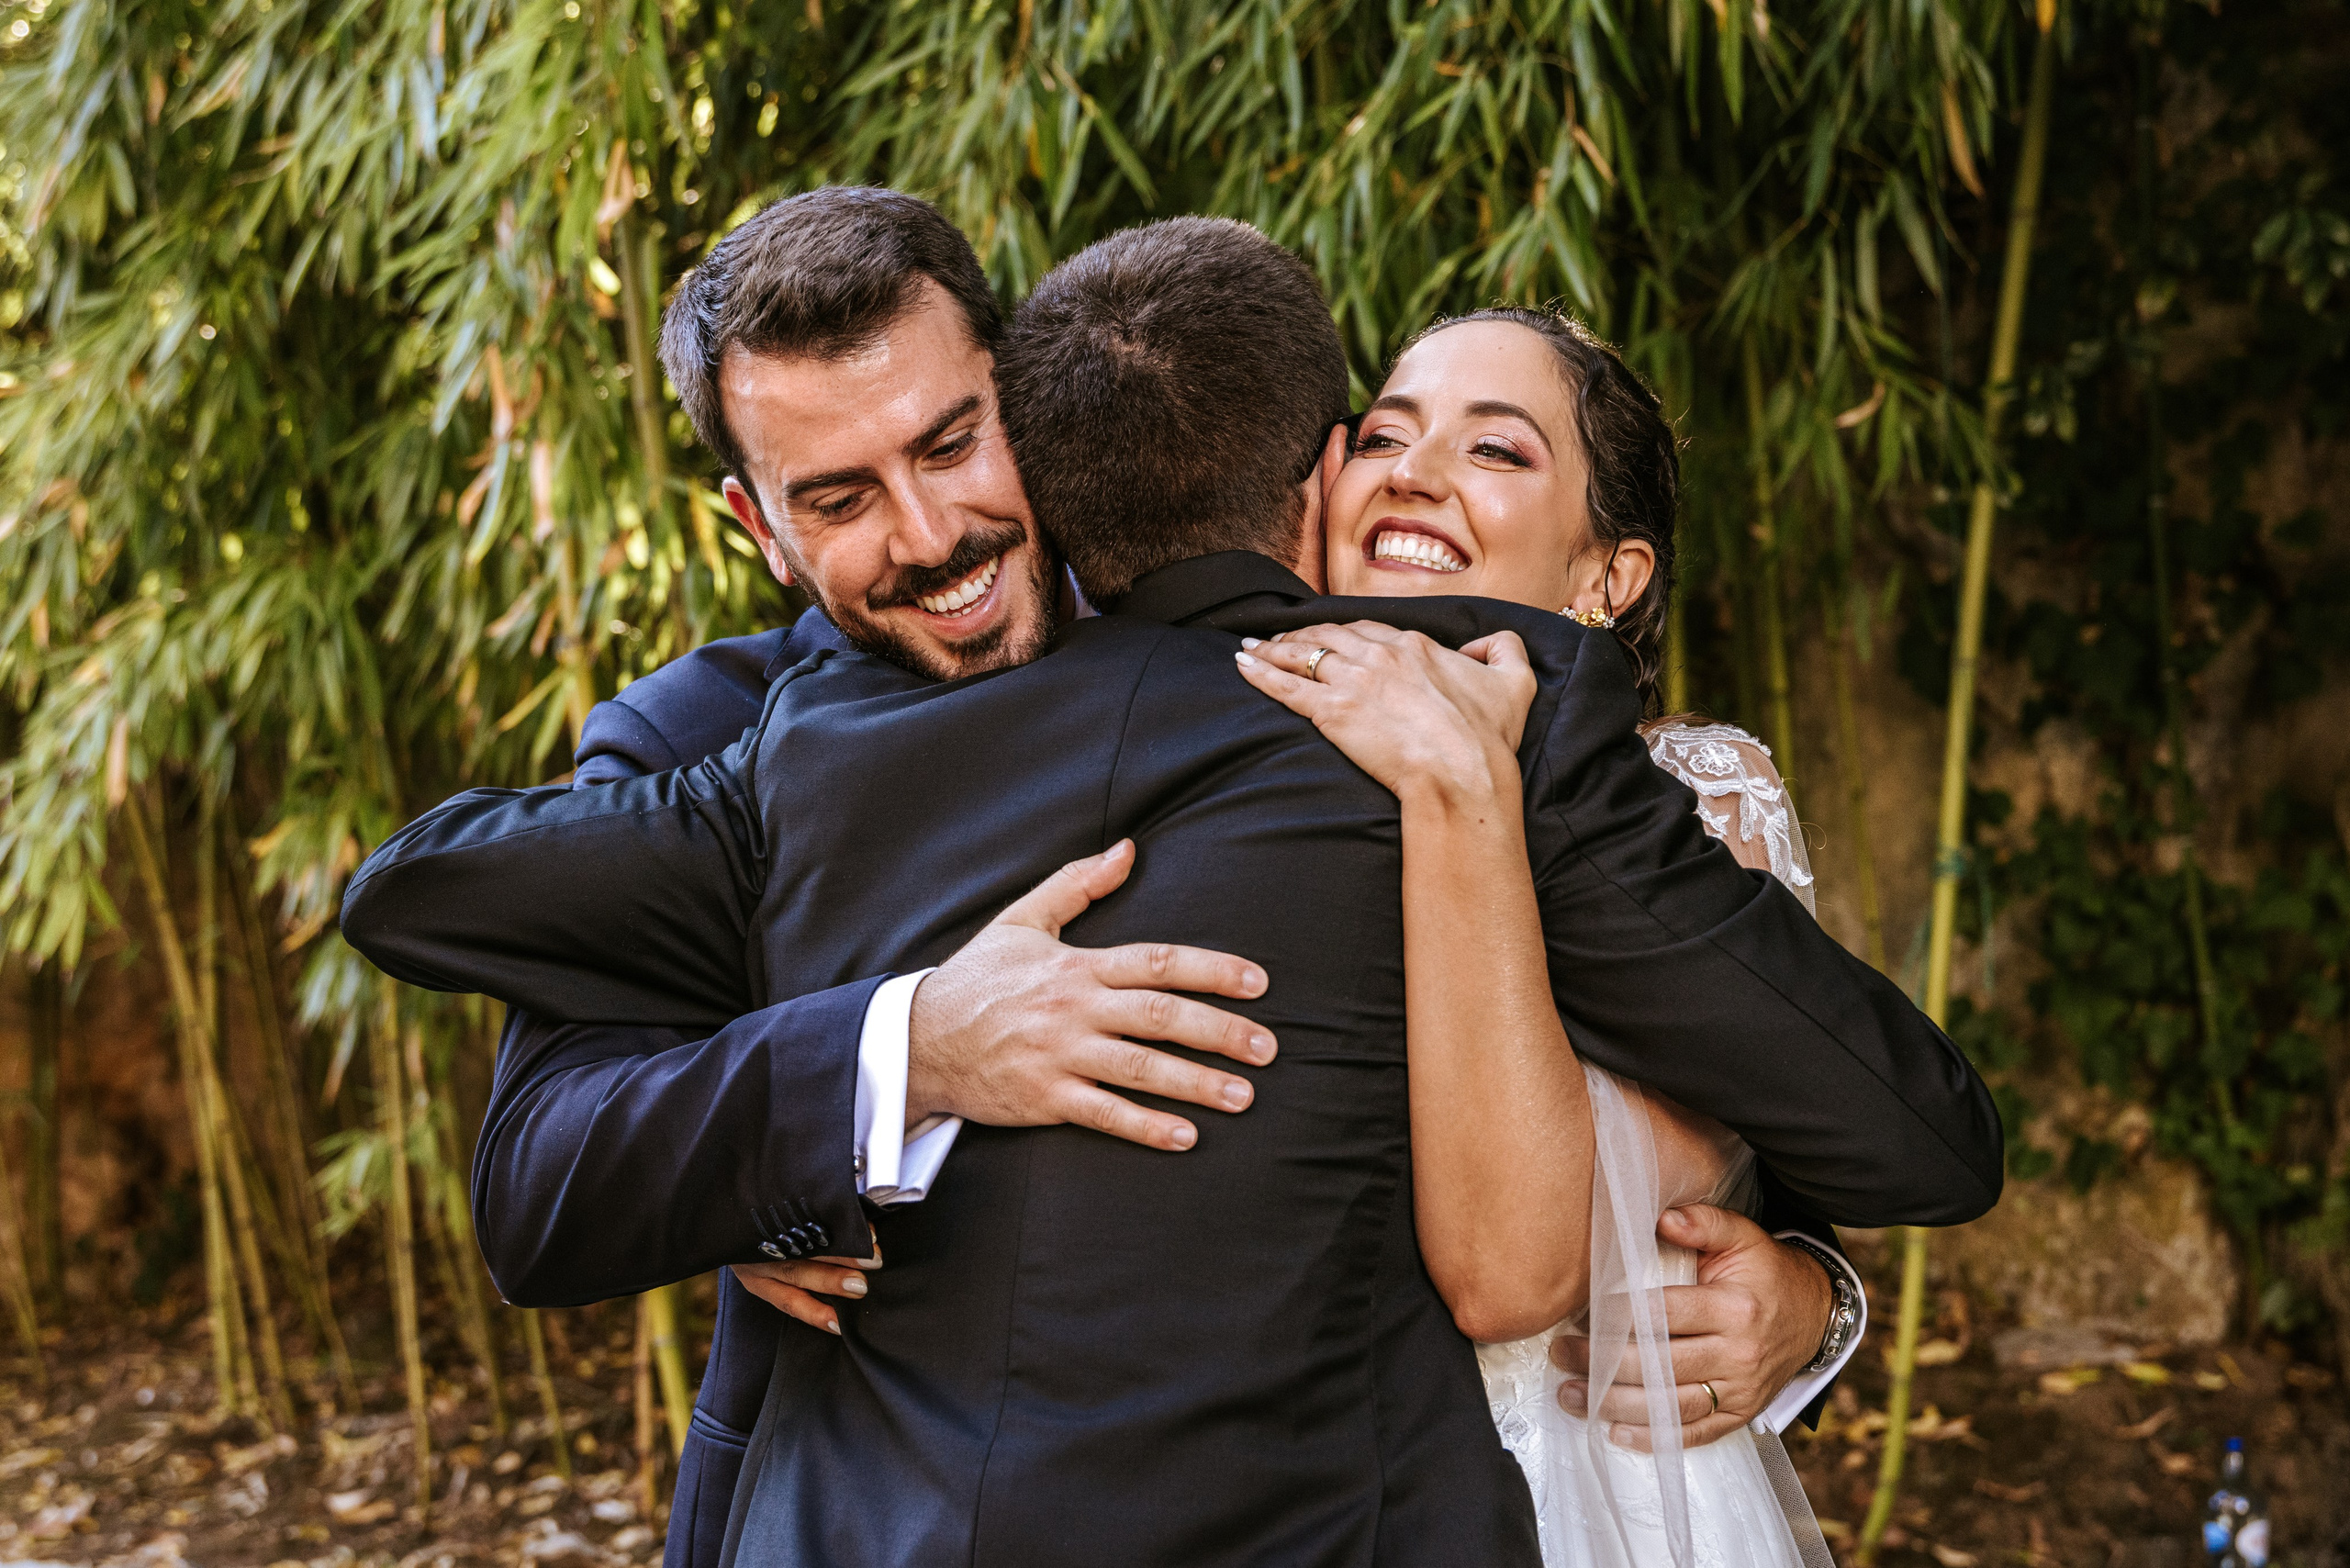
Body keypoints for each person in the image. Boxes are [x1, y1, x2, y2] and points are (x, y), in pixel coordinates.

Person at [343, 218, 2002, 1564]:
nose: (927, 534)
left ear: (1027, 395)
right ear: (754, 524)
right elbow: (540, 1180)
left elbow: (1755, 1082)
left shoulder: (1478, 704)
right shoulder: (737, 734)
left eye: (950, 443)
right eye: (839, 499)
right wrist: (901, 1053)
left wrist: (1805, 1290)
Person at [1235, 307, 1852, 1563]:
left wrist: (1812, 1296)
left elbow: (1636, 1206)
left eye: (1496, 451)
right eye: (1387, 437)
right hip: (1262, 1477)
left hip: (1580, 1488)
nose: (1411, 472)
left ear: (1607, 577)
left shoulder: (1697, 801)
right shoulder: (1210, 746)